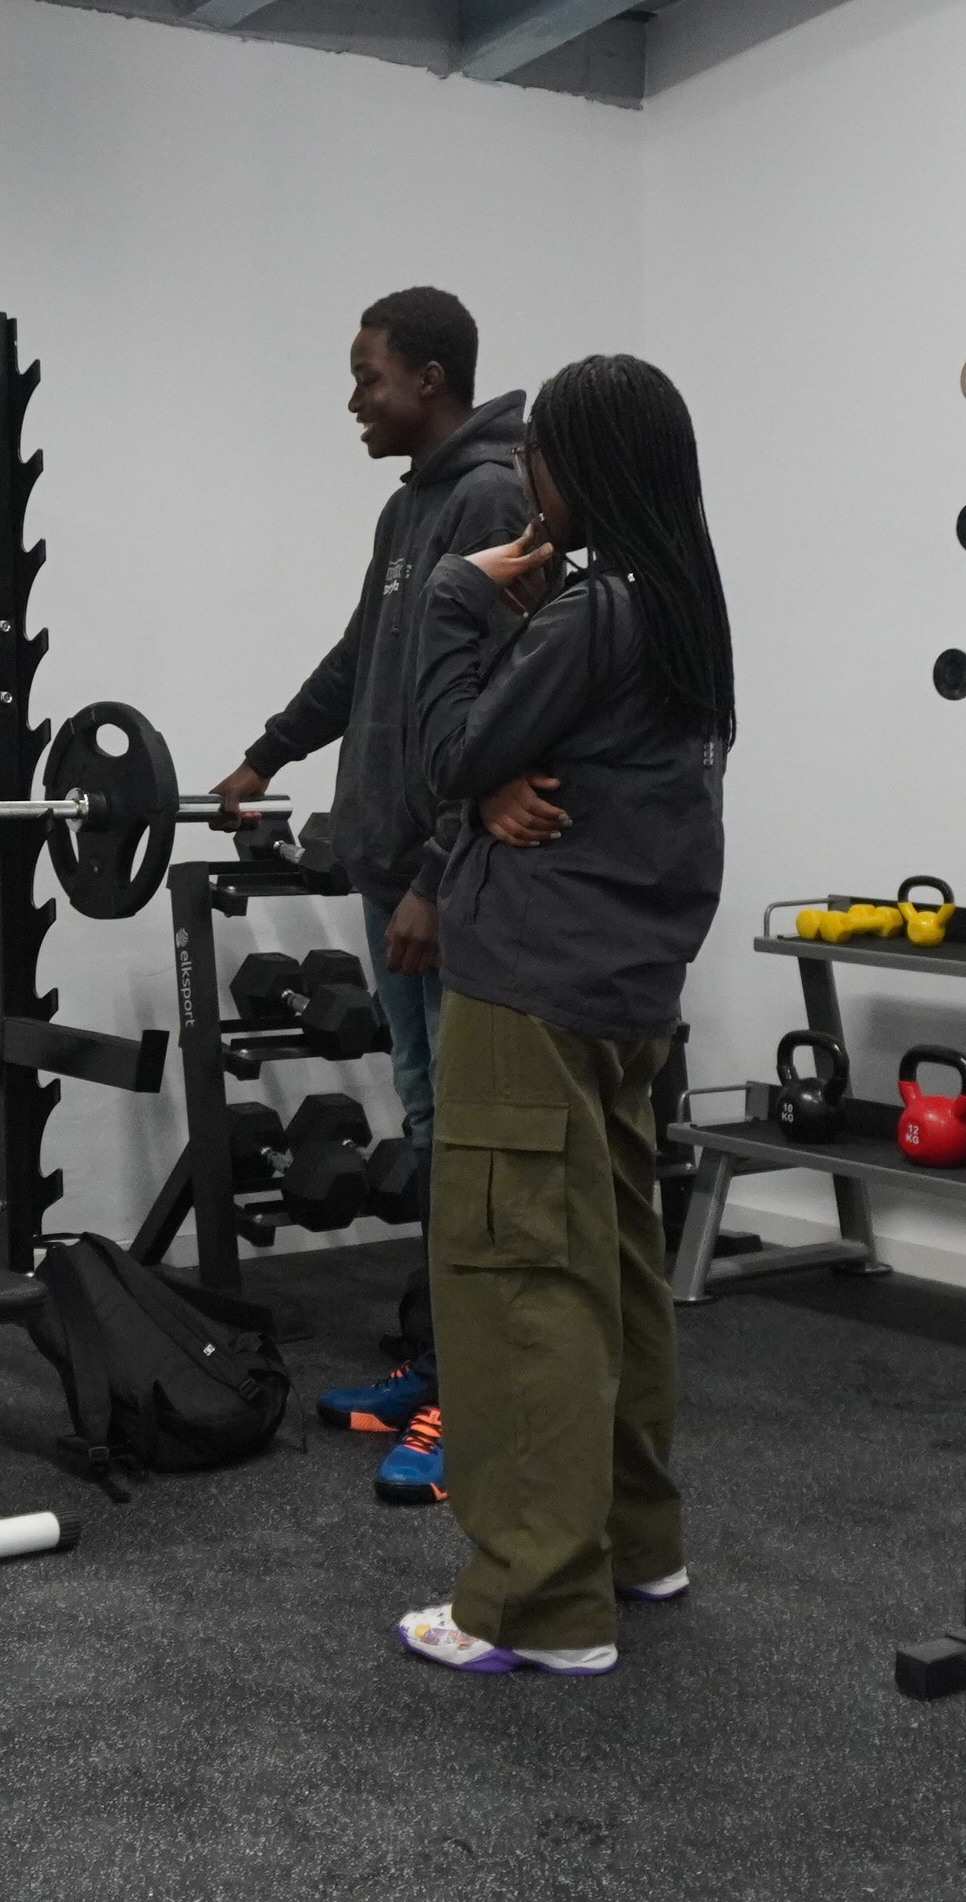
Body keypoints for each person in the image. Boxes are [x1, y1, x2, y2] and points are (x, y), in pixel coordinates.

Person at [390, 353, 733, 1676]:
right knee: (616, 1278)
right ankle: (635, 1547)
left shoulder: (594, 612)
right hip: (623, 994)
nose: (524, 474)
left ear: (578, 469)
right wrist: (490, 778)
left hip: (529, 990)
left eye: (538, 453)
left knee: (520, 1285)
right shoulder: (680, 606)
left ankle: (533, 1604)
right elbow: (512, 762)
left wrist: (454, 600)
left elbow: (442, 754)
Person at [210, 287, 527, 1500]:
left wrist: (439, 879)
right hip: (386, 866)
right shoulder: (410, 508)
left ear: (430, 378)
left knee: (472, 1141)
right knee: (431, 1125)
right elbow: (365, 659)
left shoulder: (492, 498)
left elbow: (497, 711)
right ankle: (437, 1361)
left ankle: (478, 1401)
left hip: (447, 888)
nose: (354, 400)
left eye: (369, 376)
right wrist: (267, 754)